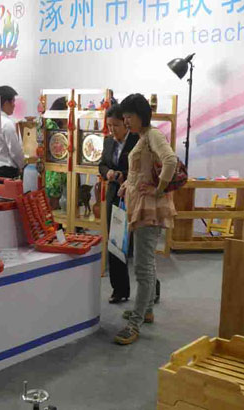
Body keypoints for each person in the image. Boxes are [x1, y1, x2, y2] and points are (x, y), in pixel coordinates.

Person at [114, 93, 177, 345]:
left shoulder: (153, 135)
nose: (126, 121)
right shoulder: (143, 137)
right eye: (124, 117)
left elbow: (170, 160)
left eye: (129, 116)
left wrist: (159, 190)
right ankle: (147, 308)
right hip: (140, 206)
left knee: (142, 266)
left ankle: (135, 322)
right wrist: (126, 186)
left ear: (141, 115)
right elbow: (139, 172)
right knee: (146, 262)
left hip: (149, 210)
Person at [99, 104, 138, 304]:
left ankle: (151, 288)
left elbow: (141, 169)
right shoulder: (108, 142)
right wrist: (108, 173)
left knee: (138, 247)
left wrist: (124, 175)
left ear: (125, 123)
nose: (112, 129)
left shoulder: (137, 141)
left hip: (133, 196)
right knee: (115, 243)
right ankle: (119, 289)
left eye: (115, 125)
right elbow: (102, 164)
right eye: (109, 125)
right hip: (114, 195)